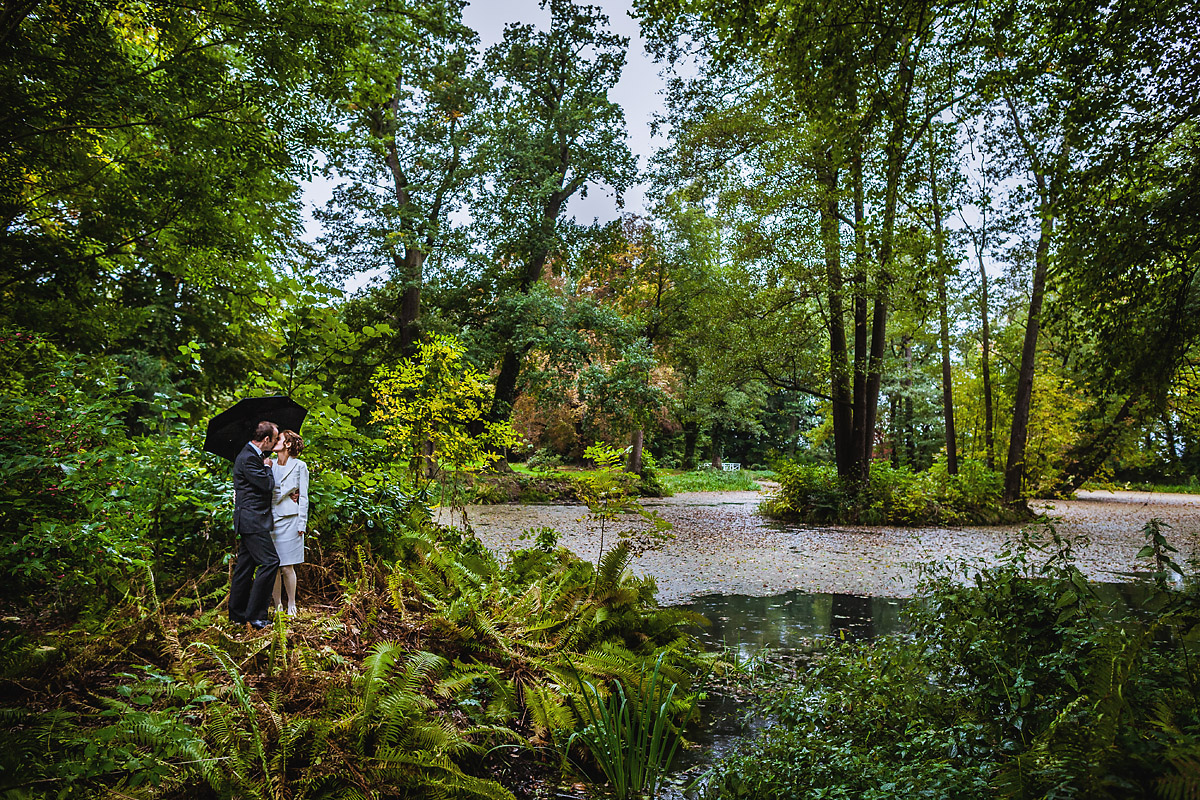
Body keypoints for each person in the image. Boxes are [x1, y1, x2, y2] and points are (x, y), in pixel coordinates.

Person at [229, 421, 280, 630]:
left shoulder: (250, 456)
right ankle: (256, 616)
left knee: (244, 567)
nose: (276, 442)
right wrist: (268, 468)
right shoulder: (248, 458)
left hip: (251, 520)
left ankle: (237, 614)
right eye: (275, 439)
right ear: (266, 440)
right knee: (270, 562)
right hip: (253, 520)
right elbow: (266, 485)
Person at [270, 429, 309, 615]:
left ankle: (292, 603)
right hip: (271, 520)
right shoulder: (269, 465)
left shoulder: (300, 466)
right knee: (274, 566)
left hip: (291, 520)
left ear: (287, 444)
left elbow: (304, 497)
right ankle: (277, 604)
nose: (274, 441)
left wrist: (302, 523)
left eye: (278, 439)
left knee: (287, 566)